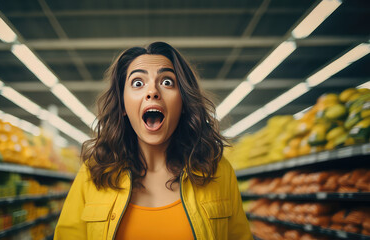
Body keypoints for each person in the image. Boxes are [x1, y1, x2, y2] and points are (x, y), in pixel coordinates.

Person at [54, 42, 253, 240]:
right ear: (123, 106)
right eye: (138, 83)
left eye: (167, 82)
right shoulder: (93, 173)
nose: (153, 91)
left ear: (183, 102)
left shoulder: (217, 171)